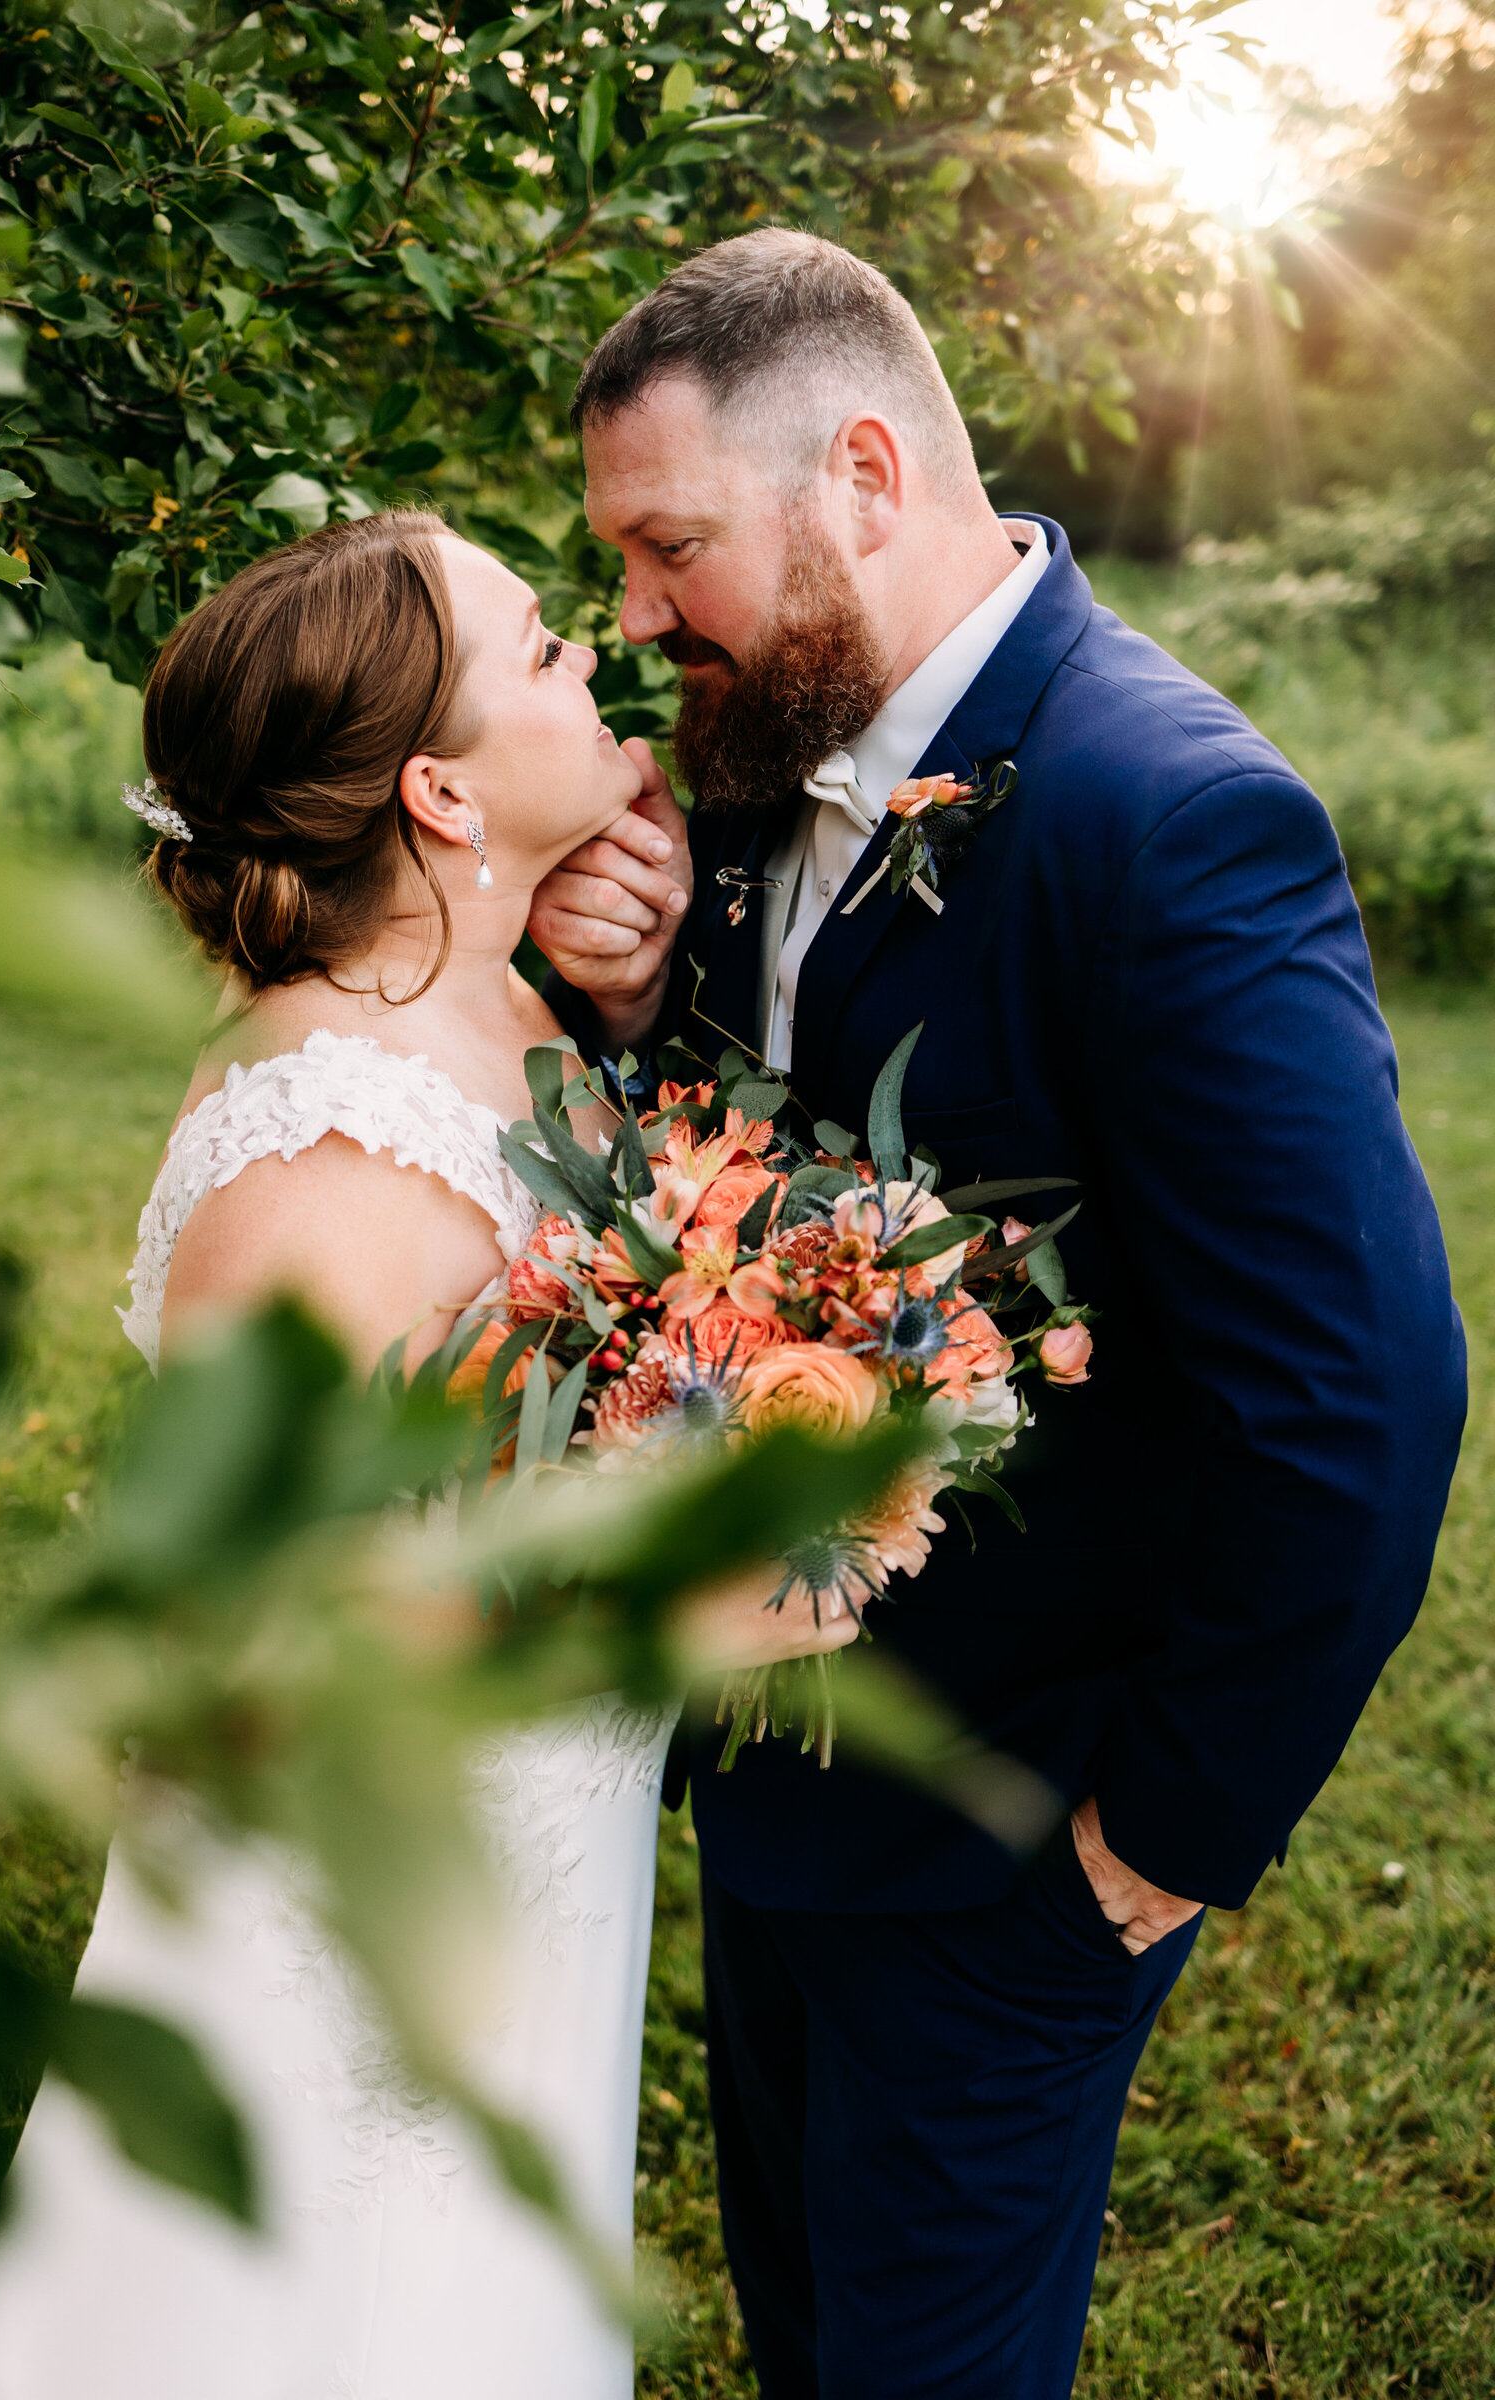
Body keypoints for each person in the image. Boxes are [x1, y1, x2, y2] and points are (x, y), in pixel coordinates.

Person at [529, 230, 1467, 2399]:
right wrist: (633, 998)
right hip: (785, 1783)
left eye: (667, 547)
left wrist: (1146, 1857)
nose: (638, 613)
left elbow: (1356, 1411)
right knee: (804, 2328)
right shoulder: (785, 737)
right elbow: (770, 1177)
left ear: (858, 471)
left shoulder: (1171, 818)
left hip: (1009, 1849)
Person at [0, 510, 858, 2400]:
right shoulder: (326, 1161)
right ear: (438, 791)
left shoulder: (501, 1011)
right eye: (535, 648)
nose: (589, 652)